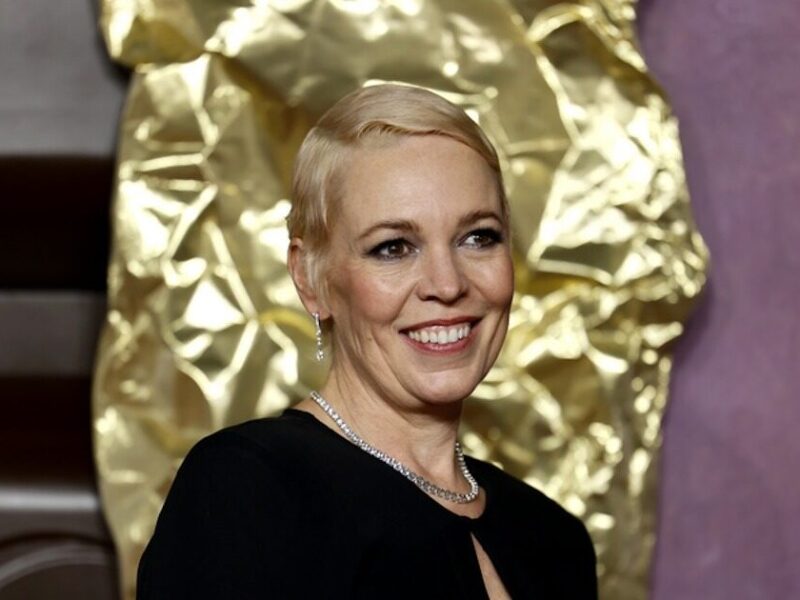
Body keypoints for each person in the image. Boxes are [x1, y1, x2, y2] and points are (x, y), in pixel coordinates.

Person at [137, 84, 598, 599]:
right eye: (393, 247)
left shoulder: (554, 539)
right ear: (311, 280)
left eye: (478, 237)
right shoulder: (248, 488)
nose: (447, 284)